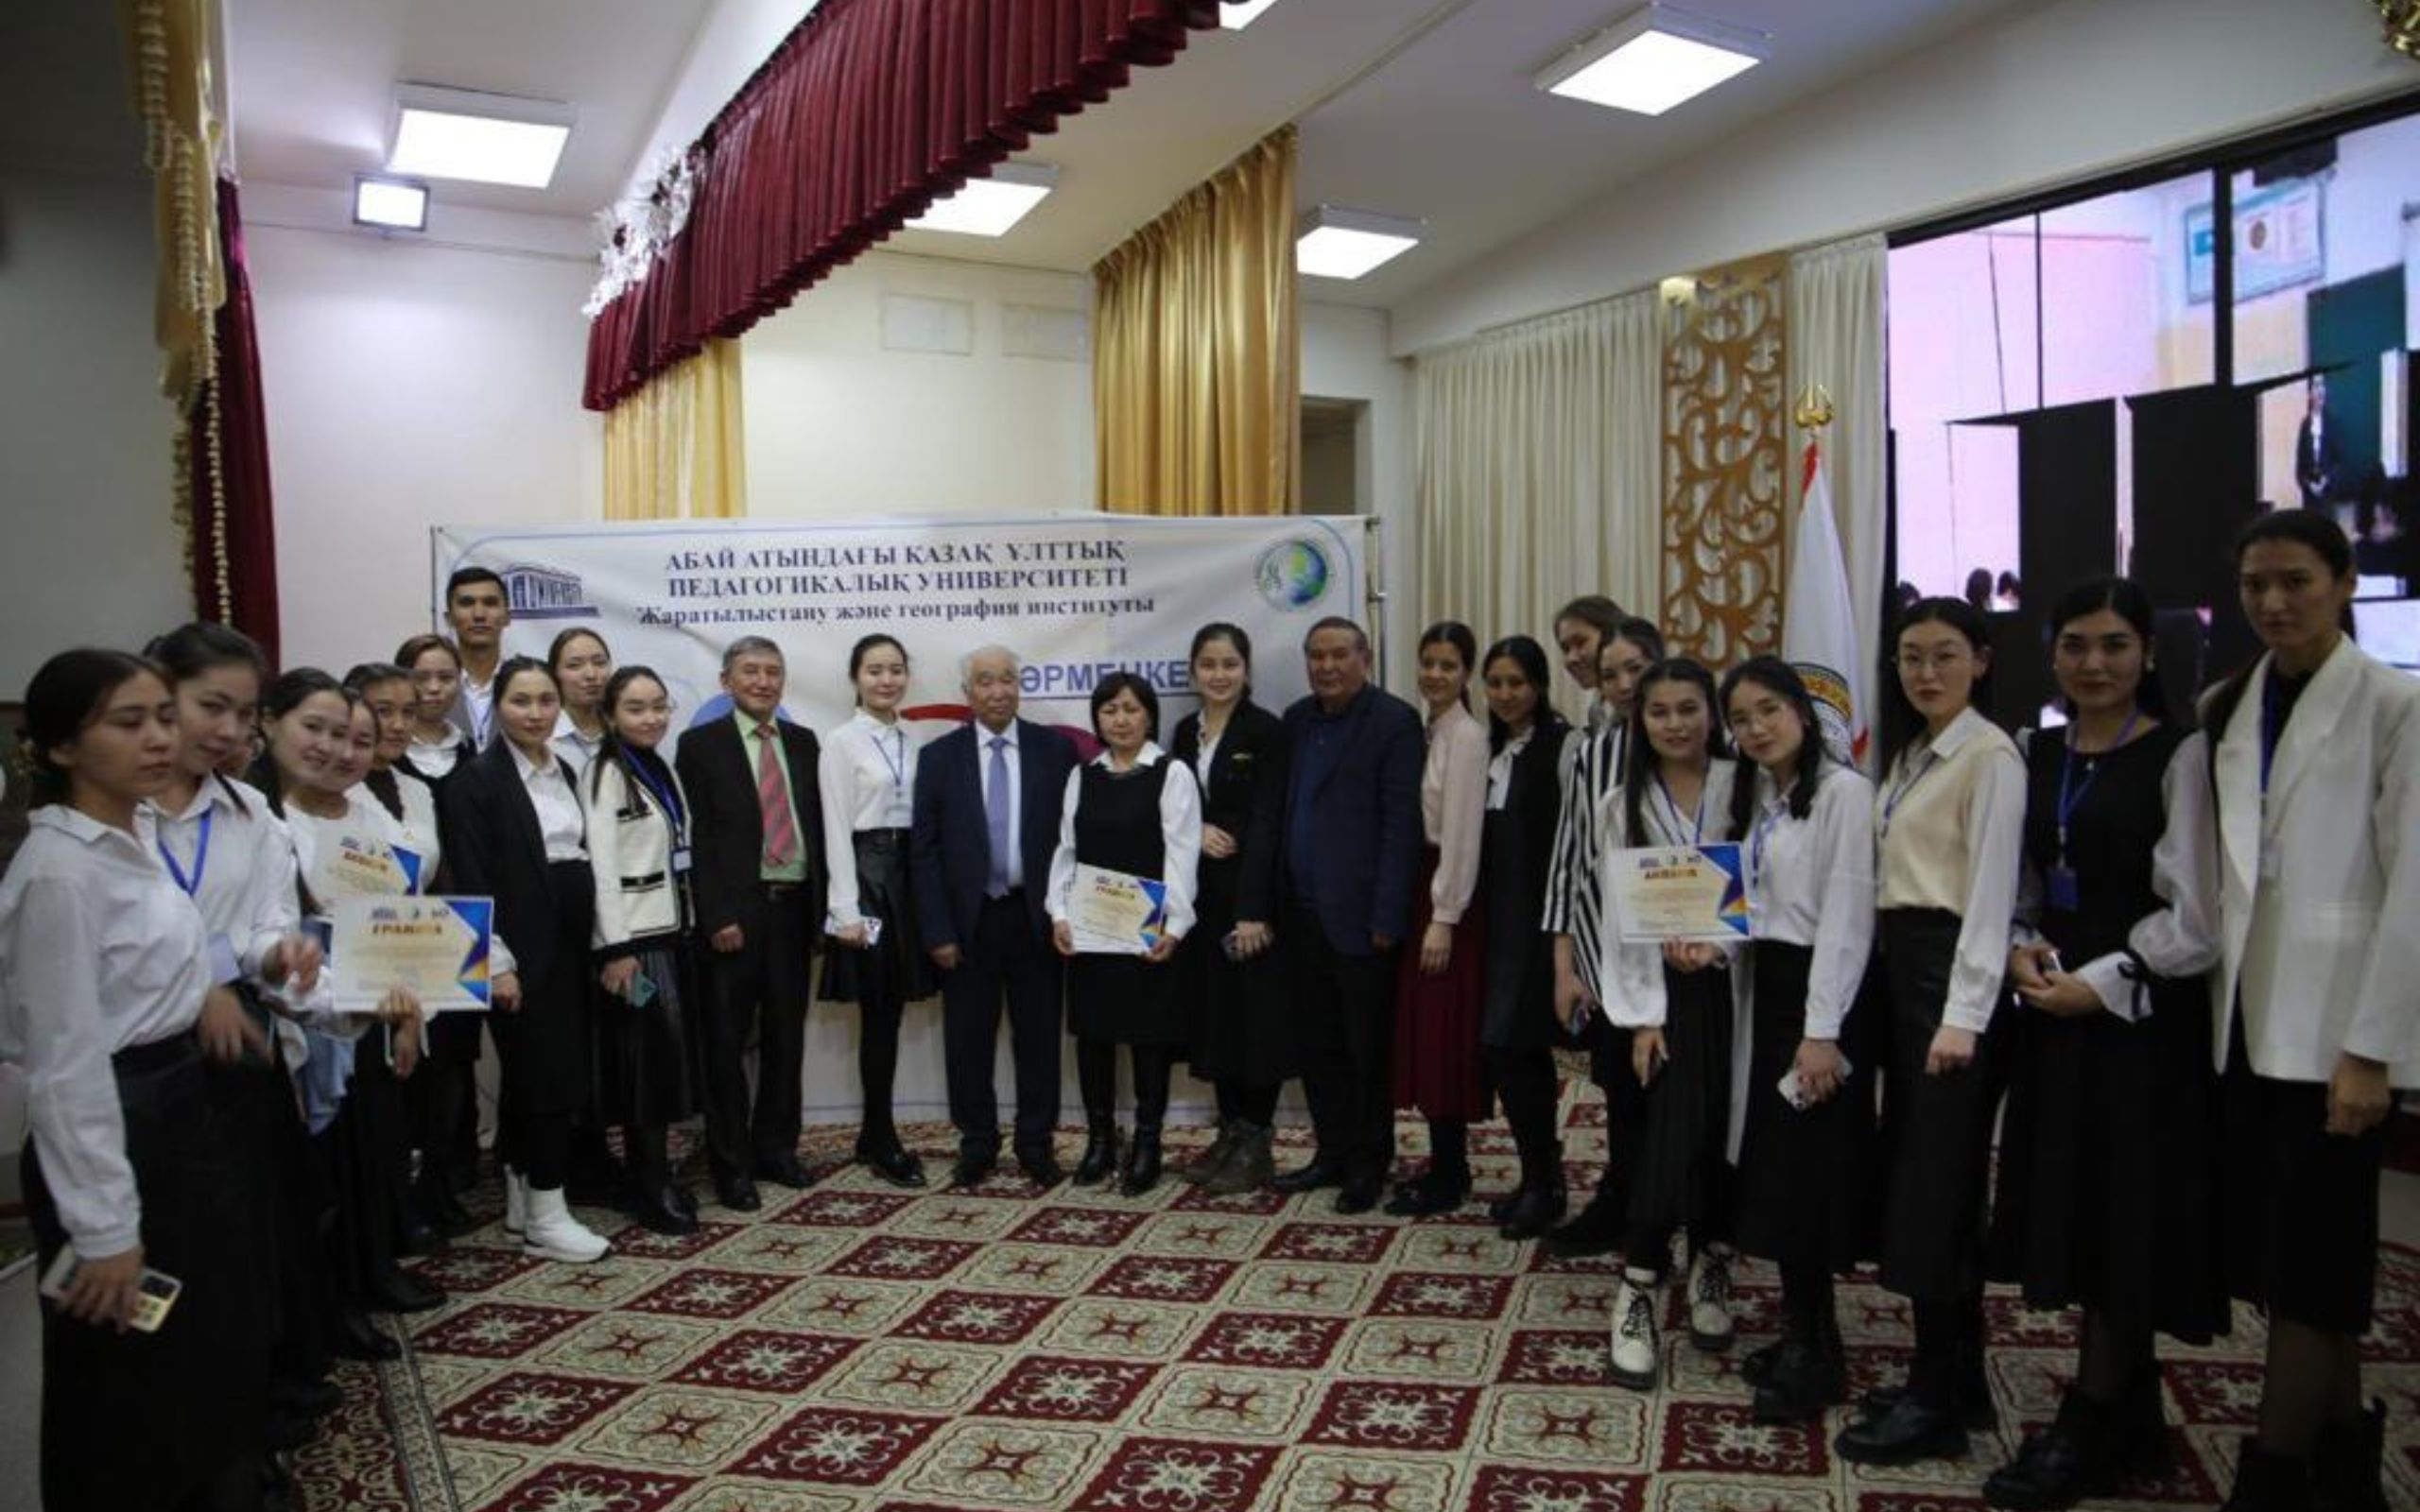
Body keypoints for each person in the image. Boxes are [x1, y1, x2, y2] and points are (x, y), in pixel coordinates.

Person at [0, 649, 269, 1512]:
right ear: (60, 747)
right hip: (119, 1122)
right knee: (120, 1373)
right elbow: (66, 1065)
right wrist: (105, 1227)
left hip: (181, 1106)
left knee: (199, 1345)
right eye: (128, 722)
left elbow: (155, 968)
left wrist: (208, 992)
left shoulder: (135, 836)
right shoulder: (59, 873)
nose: (160, 738)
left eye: (162, 716)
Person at [1983, 578, 2226, 1510]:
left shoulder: (2181, 754)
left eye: (2114, 645)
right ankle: (2133, 1417)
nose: (2093, 663)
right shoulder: (2034, 749)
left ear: (2148, 654)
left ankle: (2086, 1426)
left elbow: (2197, 914)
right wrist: (2017, 944)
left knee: (2128, 1214)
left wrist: (2107, 981)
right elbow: (2021, 878)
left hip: (2139, 1019)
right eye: (2075, 645)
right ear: (2051, 654)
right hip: (2052, 1009)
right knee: (2078, 1205)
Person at [2199, 511, 2416, 1512]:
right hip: (2251, 1023)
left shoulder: (2395, 705)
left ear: (2344, 581)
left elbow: (2414, 890)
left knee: (2314, 1266)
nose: (2273, 602)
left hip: (2340, 1036)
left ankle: (2273, 1474)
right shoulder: (2230, 703)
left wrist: (2372, 1049)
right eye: (2255, 584)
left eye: (2295, 580)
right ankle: (2344, 1459)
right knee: (2295, 1260)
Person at [1837, 596, 2026, 1467]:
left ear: (1980, 660)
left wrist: (1963, 1016)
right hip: (1903, 973)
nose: (1926, 672)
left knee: (1939, 1190)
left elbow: (1991, 898)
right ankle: (1957, 1377)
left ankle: (1936, 1397)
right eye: (1912, 656)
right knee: (1919, 1183)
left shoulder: (1990, 756)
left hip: (1950, 984)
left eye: (1945, 655)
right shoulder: (1915, 751)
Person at [143, 626, 337, 1456]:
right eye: (209, 707)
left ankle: (260, 1403)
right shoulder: (111, 816)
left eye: (243, 714)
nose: (227, 731)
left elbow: (264, 925)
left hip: (242, 1050)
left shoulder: (249, 812)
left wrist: (279, 955)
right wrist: (202, 986)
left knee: (257, 1237)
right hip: (147, 1063)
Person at [1722, 658, 1876, 1425]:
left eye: (1769, 711)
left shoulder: (1844, 794)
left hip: (1821, 1003)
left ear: (1803, 712)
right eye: (1741, 719)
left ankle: (1816, 1353)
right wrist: (1708, 942)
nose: (1755, 729)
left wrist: (1822, 1032)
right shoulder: (1764, 798)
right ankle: (1804, 1333)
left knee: (1809, 1179)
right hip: (1772, 994)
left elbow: (1848, 916)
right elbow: (1749, 901)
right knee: (1781, 1176)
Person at [261, 676, 441, 1318]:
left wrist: (410, 1017)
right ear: (271, 725)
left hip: (379, 1001)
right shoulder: (270, 817)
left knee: (377, 1145)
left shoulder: (370, 814)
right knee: (322, 1161)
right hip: (303, 1006)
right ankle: (330, 1300)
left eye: (358, 742)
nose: (343, 753)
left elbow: (403, 916)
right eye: (325, 734)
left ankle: (374, 1272)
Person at [440, 657, 613, 1263]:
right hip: (519, 950)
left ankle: (524, 1204)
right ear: (497, 708)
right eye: (520, 701)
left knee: (542, 1076)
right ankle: (547, 1214)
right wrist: (496, 963)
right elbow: (470, 879)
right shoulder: (475, 782)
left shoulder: (563, 768)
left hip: (568, 945)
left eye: (545, 701)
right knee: (544, 1078)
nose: (535, 713)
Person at [1598, 658, 1741, 1389]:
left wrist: (1721, 945)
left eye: (1689, 708)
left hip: (1741, 988)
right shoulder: (1619, 803)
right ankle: (1639, 1286)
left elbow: (1771, 885)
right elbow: (1620, 919)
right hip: (1665, 998)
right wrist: (1643, 1016)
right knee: (1671, 1131)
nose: (1675, 724)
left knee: (1724, 1134)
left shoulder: (1747, 786)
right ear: (1639, 720)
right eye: (1659, 712)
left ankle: (1713, 1261)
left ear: (1712, 714)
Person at [911, 644, 1077, 1187]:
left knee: (1039, 1040)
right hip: (969, 922)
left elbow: (1073, 841)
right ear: (968, 692)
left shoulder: (1055, 751)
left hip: (1036, 919)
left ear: (1019, 686)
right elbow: (925, 852)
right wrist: (937, 930)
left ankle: (1036, 1144)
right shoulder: (939, 758)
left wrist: (1066, 913)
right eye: (985, 681)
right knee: (967, 1042)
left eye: (1007, 679)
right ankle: (977, 1143)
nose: (998, 691)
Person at [1273, 616, 1424, 1214]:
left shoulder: (1394, 722)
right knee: (1318, 1046)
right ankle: (1331, 1151)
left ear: (1366, 658)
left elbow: (1401, 827)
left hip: (1363, 921)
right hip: (1303, 915)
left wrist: (1388, 914)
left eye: (1340, 654)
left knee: (1366, 1052)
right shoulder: (1296, 720)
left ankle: (1368, 1163)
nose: (1327, 666)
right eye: (1317, 656)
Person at [675, 636, 826, 1211]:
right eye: (750, 671)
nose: (763, 682)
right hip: (734, 917)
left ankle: (776, 1150)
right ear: (726, 681)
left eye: (773, 672)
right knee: (725, 1046)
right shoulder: (700, 745)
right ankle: (730, 1164)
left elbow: (818, 825)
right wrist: (716, 913)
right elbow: (697, 837)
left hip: (793, 909)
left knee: (787, 1039)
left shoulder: (804, 742)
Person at [1048, 672, 1202, 1194]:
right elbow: (1066, 852)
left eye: (1131, 709)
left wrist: (1175, 927)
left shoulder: (1171, 773)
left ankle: (1148, 1144)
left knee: (1147, 1039)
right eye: (1110, 710)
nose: (1120, 719)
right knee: (1094, 1036)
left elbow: (1182, 854)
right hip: (1091, 930)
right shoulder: (1082, 776)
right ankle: (1100, 1141)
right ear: (1097, 718)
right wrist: (1059, 914)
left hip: (1147, 932)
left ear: (1150, 716)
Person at [1542, 616, 1664, 1258]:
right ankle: (1624, 1205)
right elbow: (1568, 862)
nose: (1622, 685)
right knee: (1621, 1090)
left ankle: (1690, 1225)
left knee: (1679, 1098)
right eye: (1611, 674)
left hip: (1691, 960)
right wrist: (1565, 968)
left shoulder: (1712, 745)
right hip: (1609, 956)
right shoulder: (1595, 754)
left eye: (1635, 670)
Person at [1170, 624, 1292, 1195]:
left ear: (1246, 670)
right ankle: (1229, 1133)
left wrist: (1255, 909)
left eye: (1229, 664)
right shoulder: (1183, 732)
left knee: (1256, 1021)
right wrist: (1196, 832)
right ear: (1193, 672)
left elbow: (1269, 822)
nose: (1219, 675)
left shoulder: (1267, 731)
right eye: (1208, 664)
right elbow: (1171, 809)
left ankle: (1256, 1141)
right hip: (1199, 900)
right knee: (1216, 1018)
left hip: (1249, 899)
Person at [585, 666, 704, 1235]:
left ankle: (650, 1176)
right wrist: (615, 947)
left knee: (660, 1062)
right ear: (610, 715)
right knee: (644, 1067)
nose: (652, 717)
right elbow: (602, 866)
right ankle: (649, 1187)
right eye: (636, 708)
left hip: (670, 933)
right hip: (634, 945)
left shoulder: (659, 765)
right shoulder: (605, 772)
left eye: (659, 706)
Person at [817, 633, 936, 1187]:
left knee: (894, 1011)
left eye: (895, 669)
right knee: (879, 1013)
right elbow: (835, 827)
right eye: (874, 670)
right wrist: (845, 909)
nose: (886, 680)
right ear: (855, 678)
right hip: (868, 880)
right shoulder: (841, 741)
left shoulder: (917, 737)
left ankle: (873, 1133)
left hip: (911, 877)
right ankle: (881, 1136)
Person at [1385, 623, 1491, 1218]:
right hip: (1421, 891)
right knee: (1426, 1034)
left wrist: (1445, 915)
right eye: (1428, 663)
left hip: (1447, 900)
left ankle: (1451, 1172)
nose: (1435, 674)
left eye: (1448, 665)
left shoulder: (1467, 736)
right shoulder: (1430, 728)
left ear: (1466, 672)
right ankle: (1442, 1162)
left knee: (1445, 1034)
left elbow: (1462, 835)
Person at [1469, 635, 1573, 1239]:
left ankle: (1546, 1183)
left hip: (1540, 920)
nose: (1506, 694)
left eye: (1517, 682)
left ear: (1539, 685)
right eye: (1496, 683)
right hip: (1495, 918)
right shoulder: (1487, 748)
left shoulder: (1562, 746)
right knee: (1501, 1051)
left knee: (1518, 1046)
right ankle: (1536, 1172)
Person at [441, 566, 512, 749]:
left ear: (507, 617)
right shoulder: (430, 686)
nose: (479, 614)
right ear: (449, 618)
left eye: (490, 603)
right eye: (466, 603)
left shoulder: (524, 683)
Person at [395, 634, 474, 782]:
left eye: (446, 678)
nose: (434, 688)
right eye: (421, 678)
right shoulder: (383, 750)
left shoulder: (470, 750)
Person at [1551, 594, 1628, 737]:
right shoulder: (1597, 711)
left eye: (1580, 643)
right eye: (1566, 649)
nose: (1571, 658)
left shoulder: (1646, 702)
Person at [548, 627, 613, 780]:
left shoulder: (624, 731)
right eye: (575, 665)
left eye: (599, 663)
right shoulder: (542, 736)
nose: (591, 674)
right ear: (554, 674)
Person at [2295, 372, 2340, 512]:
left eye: (2322, 385)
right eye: (2316, 386)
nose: (2320, 390)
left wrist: (2326, 480)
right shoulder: (2305, 425)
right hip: (2309, 498)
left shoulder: (2332, 423)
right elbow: (2299, 468)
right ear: (2309, 394)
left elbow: (2339, 462)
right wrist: (2309, 485)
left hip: (2328, 496)